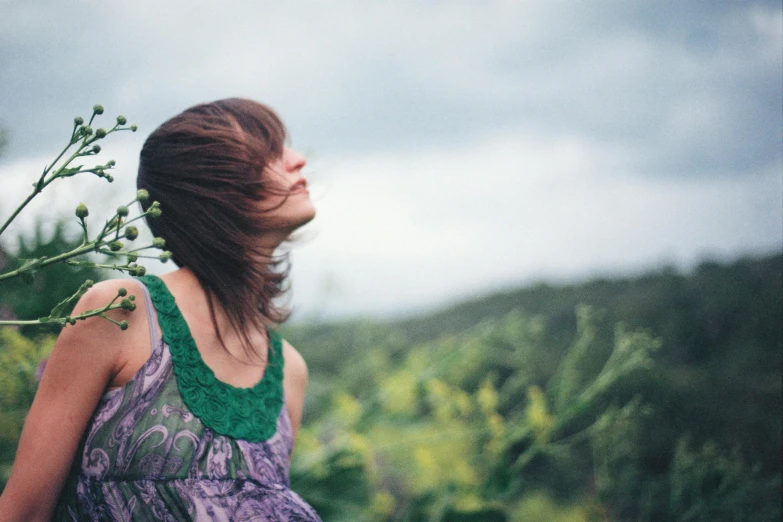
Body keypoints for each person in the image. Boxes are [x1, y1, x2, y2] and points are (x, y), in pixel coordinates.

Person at [0, 98, 322, 521]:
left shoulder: (288, 371)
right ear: (211, 186)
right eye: (270, 153)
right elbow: (23, 513)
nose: (298, 161)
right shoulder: (121, 312)